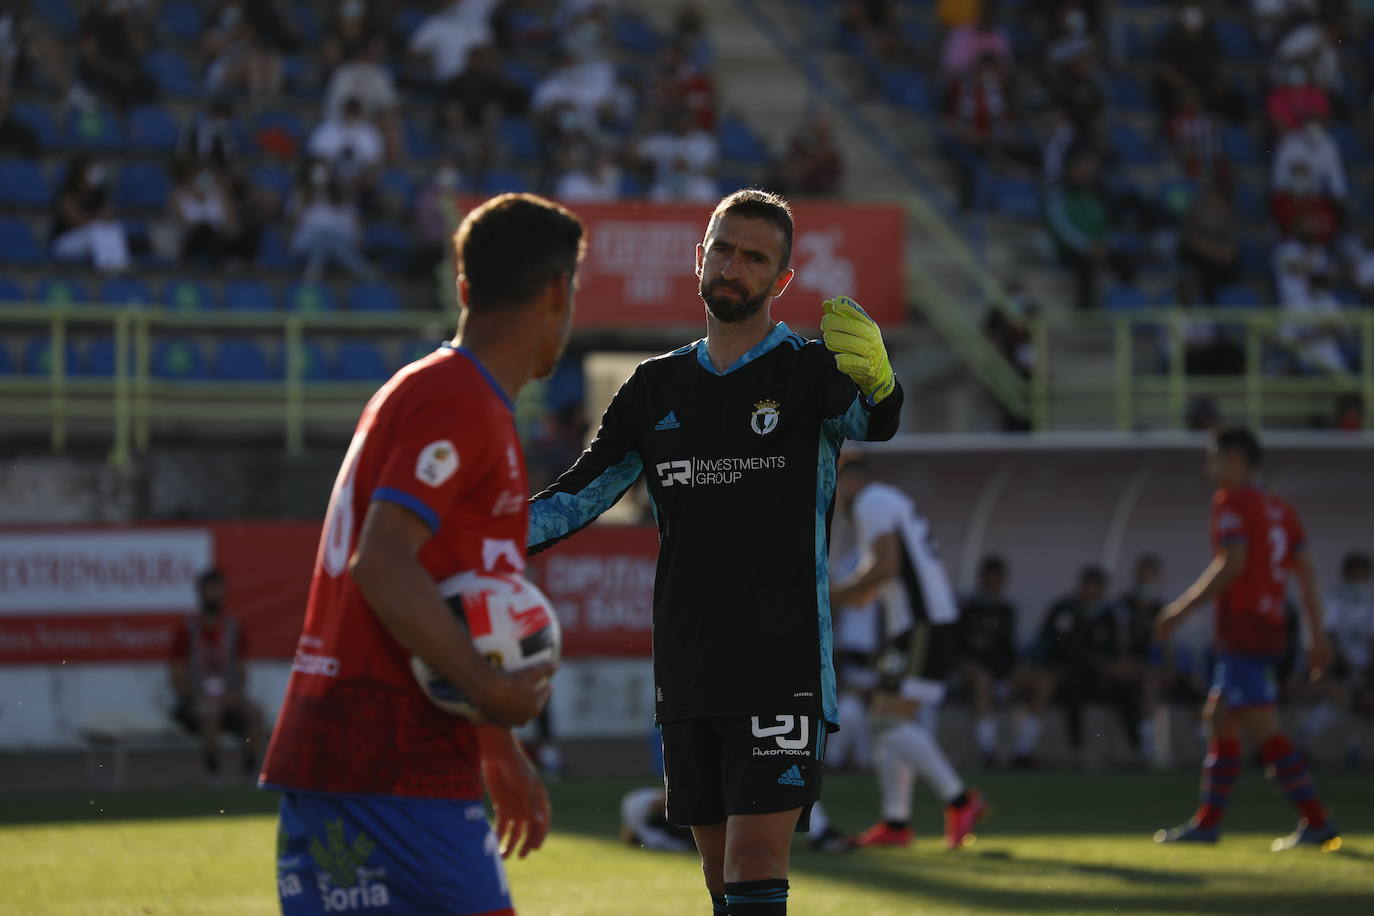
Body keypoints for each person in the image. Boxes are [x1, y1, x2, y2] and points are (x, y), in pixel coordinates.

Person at [527, 189, 903, 915]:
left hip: (781, 661)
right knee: (720, 882)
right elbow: (579, 496)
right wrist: (478, 536)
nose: (734, 267)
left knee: (757, 858)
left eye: (755, 258)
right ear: (699, 257)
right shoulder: (654, 387)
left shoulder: (808, 371)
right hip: (690, 663)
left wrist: (883, 384)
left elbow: (874, 419)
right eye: (724, 250)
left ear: (781, 281)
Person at [260, 193, 584, 914]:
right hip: (390, 768)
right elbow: (381, 562)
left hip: (356, 761)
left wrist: (495, 744)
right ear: (560, 292)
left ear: (463, 288)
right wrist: (491, 689)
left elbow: (437, 582)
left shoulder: (433, 391)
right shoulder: (458, 400)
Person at [1154, 427, 1340, 851]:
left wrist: (1178, 611)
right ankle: (1208, 824)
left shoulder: (1233, 502)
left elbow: (1231, 564)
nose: (1209, 469)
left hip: (1244, 628)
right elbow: (1307, 576)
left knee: (1261, 727)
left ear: (1235, 459)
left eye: (1213, 459)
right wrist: (1316, 635)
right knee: (1220, 717)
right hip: (1272, 628)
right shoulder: (1280, 509)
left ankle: (1317, 821)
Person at [831, 455, 990, 852]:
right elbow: (870, 590)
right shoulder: (883, 502)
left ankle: (960, 799)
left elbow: (884, 567)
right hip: (915, 625)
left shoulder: (871, 502)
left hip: (923, 625)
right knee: (882, 718)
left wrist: (827, 594)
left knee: (887, 722)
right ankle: (896, 822)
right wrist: (840, 593)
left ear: (849, 479)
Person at [170, 568, 266, 781]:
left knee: (256, 712)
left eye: (218, 589)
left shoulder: (233, 627)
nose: (214, 594)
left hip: (228, 697)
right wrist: (195, 695)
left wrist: (235, 694)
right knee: (210, 712)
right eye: (209, 589)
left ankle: (250, 771)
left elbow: (242, 669)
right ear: (200, 593)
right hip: (195, 700)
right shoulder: (187, 630)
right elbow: (176, 674)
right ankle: (214, 772)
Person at [958, 555, 1042, 767]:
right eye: (990, 578)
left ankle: (1023, 753)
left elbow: (1010, 648)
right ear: (981, 579)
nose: (994, 583)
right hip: (974, 674)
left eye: (998, 578)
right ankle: (989, 753)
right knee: (981, 679)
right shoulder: (968, 608)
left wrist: (1015, 671)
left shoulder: (1008, 610)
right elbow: (958, 648)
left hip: (1003, 673)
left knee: (1043, 682)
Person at [1299, 552, 1374, 767]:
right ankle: (1301, 745)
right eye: (1354, 574)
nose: (1357, 579)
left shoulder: (1370, 603)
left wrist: (1368, 675)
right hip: (1340, 668)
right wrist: (1342, 665)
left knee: (1355, 710)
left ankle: (1354, 747)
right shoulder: (1335, 600)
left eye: (1362, 574)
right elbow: (1329, 636)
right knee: (1332, 701)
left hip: (1365, 671)